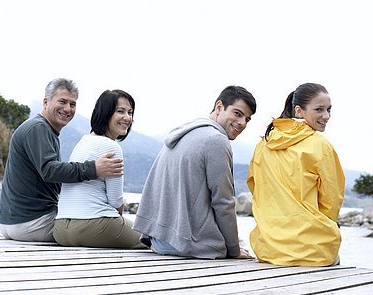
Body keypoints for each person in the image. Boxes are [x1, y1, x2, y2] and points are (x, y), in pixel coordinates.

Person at [133, 85, 257, 259]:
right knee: (240, 245)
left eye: (247, 119)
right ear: (219, 107)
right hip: (185, 244)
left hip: (158, 239)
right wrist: (234, 251)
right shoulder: (216, 141)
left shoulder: (185, 132)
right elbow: (223, 202)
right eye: (237, 113)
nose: (242, 123)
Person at [0, 78, 124, 243]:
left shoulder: (44, 129)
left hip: (14, 221)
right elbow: (49, 170)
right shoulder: (38, 128)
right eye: (62, 102)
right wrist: (94, 169)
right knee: (87, 226)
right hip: (31, 223)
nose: (67, 109)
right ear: (45, 102)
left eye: (72, 104)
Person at [247, 82, 345, 267]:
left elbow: (255, 188)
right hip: (311, 250)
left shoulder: (263, 144)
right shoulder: (320, 145)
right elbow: (332, 200)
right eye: (319, 109)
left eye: (328, 109)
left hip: (268, 247)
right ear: (299, 111)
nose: (326, 116)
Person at [53, 89, 146, 249]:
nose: (127, 118)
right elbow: (116, 201)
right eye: (120, 111)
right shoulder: (112, 147)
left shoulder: (83, 141)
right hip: (94, 227)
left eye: (130, 112)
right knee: (150, 239)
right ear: (105, 113)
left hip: (61, 229)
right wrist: (119, 224)